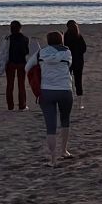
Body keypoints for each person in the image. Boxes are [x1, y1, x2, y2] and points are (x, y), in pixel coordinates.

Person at [26, 31, 73, 166]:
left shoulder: (41, 53)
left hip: (47, 90)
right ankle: (64, 150)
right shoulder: (67, 52)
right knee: (65, 120)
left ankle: (53, 159)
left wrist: (40, 70)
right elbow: (69, 66)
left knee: (50, 126)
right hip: (65, 89)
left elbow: (27, 67)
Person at [0, 21, 31, 111]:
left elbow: (4, 51)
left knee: (10, 85)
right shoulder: (25, 39)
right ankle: (22, 105)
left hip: (11, 63)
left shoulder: (8, 38)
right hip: (21, 63)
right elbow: (26, 52)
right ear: (20, 28)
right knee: (21, 85)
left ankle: (10, 106)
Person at [63, 20, 87, 110]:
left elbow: (63, 48)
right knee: (78, 81)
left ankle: (68, 101)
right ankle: (80, 103)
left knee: (68, 81)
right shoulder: (79, 36)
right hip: (78, 61)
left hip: (68, 61)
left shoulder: (65, 36)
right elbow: (84, 49)